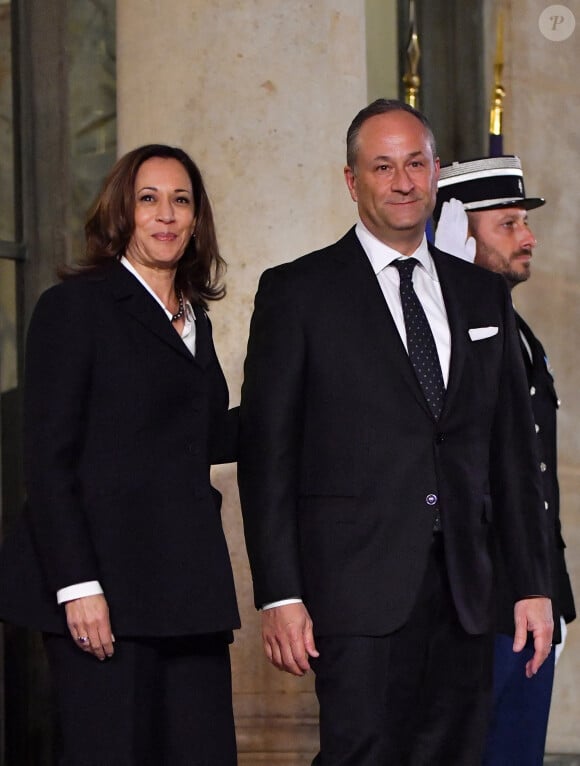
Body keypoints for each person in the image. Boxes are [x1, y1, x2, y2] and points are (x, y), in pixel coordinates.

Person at [238, 99, 554, 766]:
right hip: (355, 594)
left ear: (436, 172)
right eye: (383, 167)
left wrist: (532, 583)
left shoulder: (480, 293)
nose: (403, 181)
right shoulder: (298, 293)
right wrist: (281, 594)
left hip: (469, 591)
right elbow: (270, 459)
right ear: (353, 181)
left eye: (415, 163)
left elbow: (512, 456)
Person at [0, 144, 240, 765]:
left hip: (189, 591)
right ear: (121, 213)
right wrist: (78, 586)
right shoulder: (74, 308)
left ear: (196, 219)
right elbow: (48, 460)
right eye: (148, 199)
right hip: (104, 590)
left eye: (180, 200)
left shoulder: (194, 318)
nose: (166, 215)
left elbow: (205, 436)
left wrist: (302, 404)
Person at [434, 155, 576, 766]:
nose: (528, 237)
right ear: (458, 231)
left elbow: (533, 477)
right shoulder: (441, 330)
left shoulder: (517, 331)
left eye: (525, 222)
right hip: (470, 601)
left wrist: (549, 590)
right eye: (508, 224)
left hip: (524, 597)